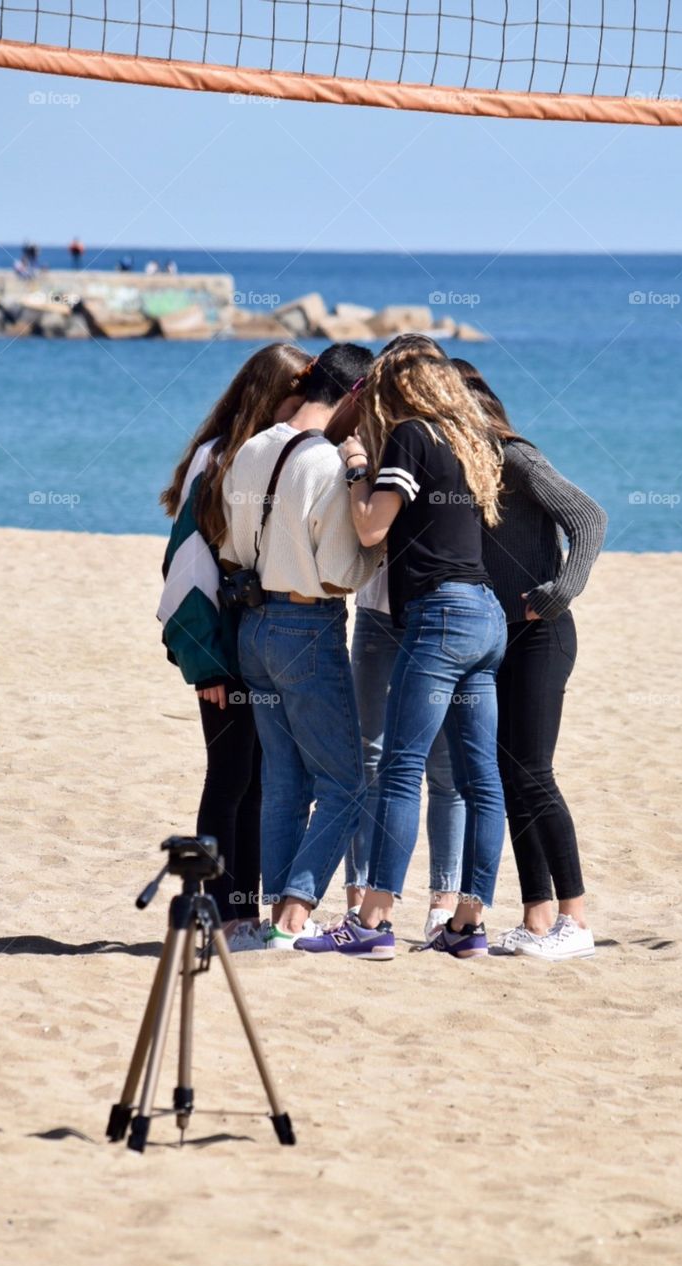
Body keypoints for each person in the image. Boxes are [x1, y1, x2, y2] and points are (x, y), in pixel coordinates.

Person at [297, 341, 507, 961]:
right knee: (480, 777)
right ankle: (467, 926)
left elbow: (371, 527)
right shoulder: (471, 440)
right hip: (486, 616)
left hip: (439, 616)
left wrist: (359, 464)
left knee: (398, 768)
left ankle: (374, 920)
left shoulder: (412, 436)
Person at [221, 343, 381, 950]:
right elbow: (342, 571)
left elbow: (234, 548)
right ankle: (295, 911)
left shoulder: (252, 447)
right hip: (307, 625)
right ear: (355, 396)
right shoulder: (326, 465)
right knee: (345, 782)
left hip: (253, 626)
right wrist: (382, 546)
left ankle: (270, 919)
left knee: (285, 781)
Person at [158, 342, 312, 951]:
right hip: (221, 648)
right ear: (274, 396)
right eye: (298, 400)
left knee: (258, 779)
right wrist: (206, 663)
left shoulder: (254, 455)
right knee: (229, 779)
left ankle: (241, 912)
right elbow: (186, 565)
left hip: (254, 641)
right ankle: (216, 912)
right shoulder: (216, 458)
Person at [456, 359, 607, 961]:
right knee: (507, 774)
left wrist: (558, 590)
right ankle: (537, 917)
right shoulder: (461, 466)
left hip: (544, 635)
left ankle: (576, 918)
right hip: (501, 636)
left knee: (534, 773)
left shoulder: (511, 456)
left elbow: (588, 516)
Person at [347, 560, 466, 942]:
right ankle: (360, 897)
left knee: (445, 770)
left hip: (443, 615)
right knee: (369, 759)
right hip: (377, 612)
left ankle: (443, 902)